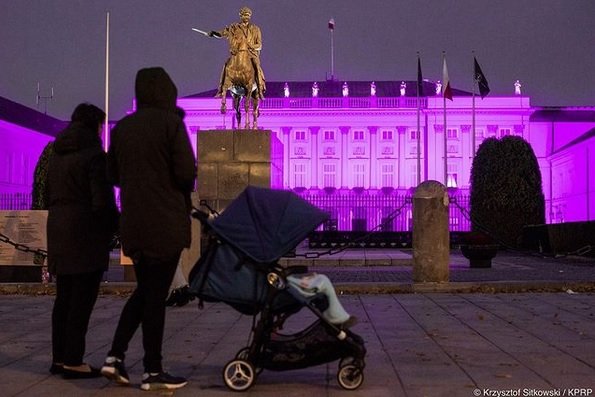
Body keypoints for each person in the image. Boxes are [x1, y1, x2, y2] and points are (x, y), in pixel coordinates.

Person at [101, 67, 196, 391]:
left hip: (135, 223)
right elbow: (186, 173)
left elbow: (111, 174)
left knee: (147, 292)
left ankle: (115, 357)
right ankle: (152, 371)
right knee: (154, 298)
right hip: (165, 223)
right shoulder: (171, 123)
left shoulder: (123, 128)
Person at [46, 103, 118, 379]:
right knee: (82, 300)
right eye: (101, 125)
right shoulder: (94, 155)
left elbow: (50, 190)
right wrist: (115, 226)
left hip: (60, 228)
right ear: (94, 125)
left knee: (63, 298)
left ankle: (59, 358)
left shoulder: (57, 153)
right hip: (85, 232)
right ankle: (74, 360)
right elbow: (102, 201)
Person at [211, 6, 266, 99]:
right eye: (244, 14)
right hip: (237, 53)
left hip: (251, 54)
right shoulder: (234, 27)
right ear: (240, 16)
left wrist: (250, 46)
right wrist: (213, 33)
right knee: (226, 64)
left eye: (248, 15)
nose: (246, 16)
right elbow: (223, 33)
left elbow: (259, 45)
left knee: (256, 65)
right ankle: (220, 89)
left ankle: (260, 89)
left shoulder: (256, 29)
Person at [287, 273, 357, 329]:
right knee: (324, 280)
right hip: (304, 286)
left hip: (301, 285)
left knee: (324, 280)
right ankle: (338, 316)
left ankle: (338, 315)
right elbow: (309, 286)